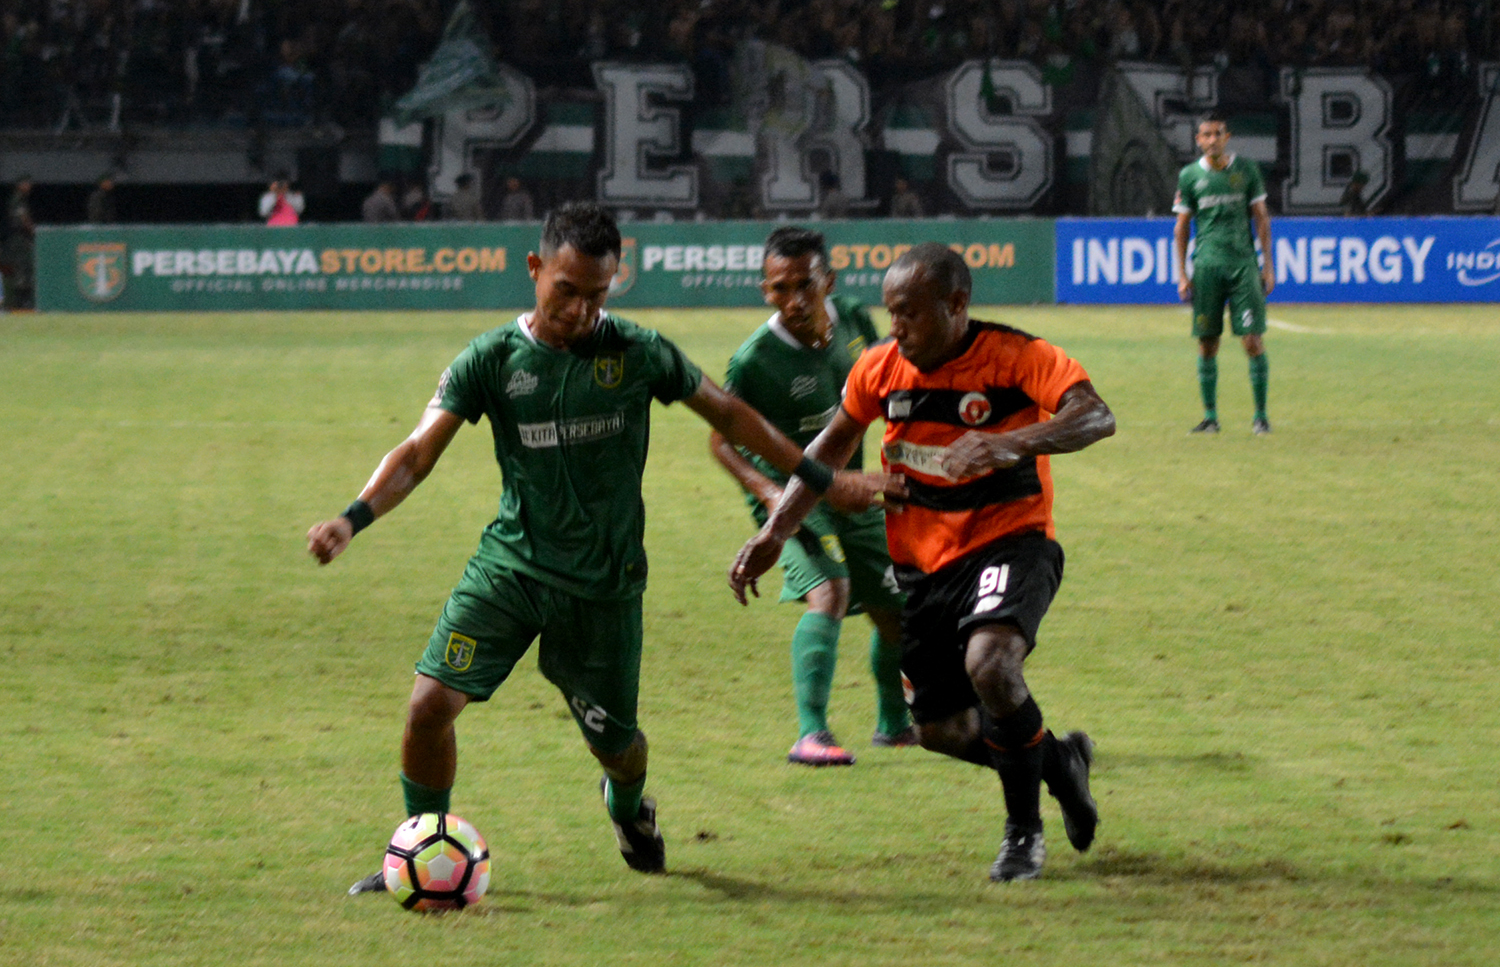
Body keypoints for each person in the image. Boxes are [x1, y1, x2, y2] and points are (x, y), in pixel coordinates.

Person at [310, 202, 897, 890]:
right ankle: (416, 846)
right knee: (427, 706)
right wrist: (352, 518)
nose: (583, 309)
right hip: (510, 567)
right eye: (568, 291)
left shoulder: (638, 351)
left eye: (598, 293)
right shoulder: (492, 358)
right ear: (535, 270)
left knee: (618, 748)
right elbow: (415, 453)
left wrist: (820, 479)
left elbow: (731, 415)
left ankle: (627, 806)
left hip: (604, 586)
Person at [728, 242, 1114, 882]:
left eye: (908, 313)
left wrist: (1009, 441)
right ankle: (1060, 764)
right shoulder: (880, 368)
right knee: (940, 730)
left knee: (990, 664)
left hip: (1010, 541)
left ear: (957, 305)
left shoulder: (1015, 355)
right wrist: (776, 529)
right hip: (923, 566)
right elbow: (827, 449)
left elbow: (1094, 415)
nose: (895, 326)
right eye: (889, 311)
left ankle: (1023, 835)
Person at [709, 227, 913, 767]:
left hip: (855, 487)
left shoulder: (852, 318)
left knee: (898, 608)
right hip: (792, 497)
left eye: (806, 284)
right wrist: (772, 495)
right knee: (832, 589)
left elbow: (889, 384)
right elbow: (720, 440)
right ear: (765, 291)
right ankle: (811, 733)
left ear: (830, 280)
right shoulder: (754, 359)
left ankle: (894, 724)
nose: (795, 300)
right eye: (780, 289)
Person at [1174, 112, 1275, 436]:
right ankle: (1210, 418)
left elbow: (1261, 218)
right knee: (1207, 343)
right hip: (1206, 267)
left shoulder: (1246, 170)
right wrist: (1181, 272)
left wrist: (1268, 265)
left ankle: (1260, 417)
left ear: (1226, 137)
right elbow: (1182, 228)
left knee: (1252, 341)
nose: (1212, 139)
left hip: (1243, 266)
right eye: (1206, 134)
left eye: (1218, 133)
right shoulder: (1190, 176)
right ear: (1198, 140)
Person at [2, 176, 36, 312]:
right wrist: (34, 232)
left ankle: (22, 302)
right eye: (26, 184)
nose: (29, 187)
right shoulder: (17, 199)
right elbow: (23, 220)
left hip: (20, 238)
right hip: (18, 239)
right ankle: (19, 302)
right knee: (22, 268)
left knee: (25, 269)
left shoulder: (21, 199)